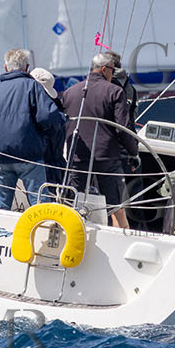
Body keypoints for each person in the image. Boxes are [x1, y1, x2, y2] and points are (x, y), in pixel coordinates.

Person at [0, 47, 66, 211]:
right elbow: (49, 118)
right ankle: (42, 234)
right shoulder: (32, 87)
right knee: (39, 205)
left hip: (1, 158)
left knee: (1, 206)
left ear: (5, 67)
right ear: (27, 68)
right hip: (29, 156)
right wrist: (45, 136)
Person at [59, 51, 138, 228]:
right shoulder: (115, 91)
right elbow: (123, 128)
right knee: (116, 207)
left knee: (73, 204)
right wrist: (134, 153)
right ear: (104, 69)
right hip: (106, 158)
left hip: (77, 156)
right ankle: (121, 242)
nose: (113, 74)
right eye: (112, 70)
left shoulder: (70, 92)